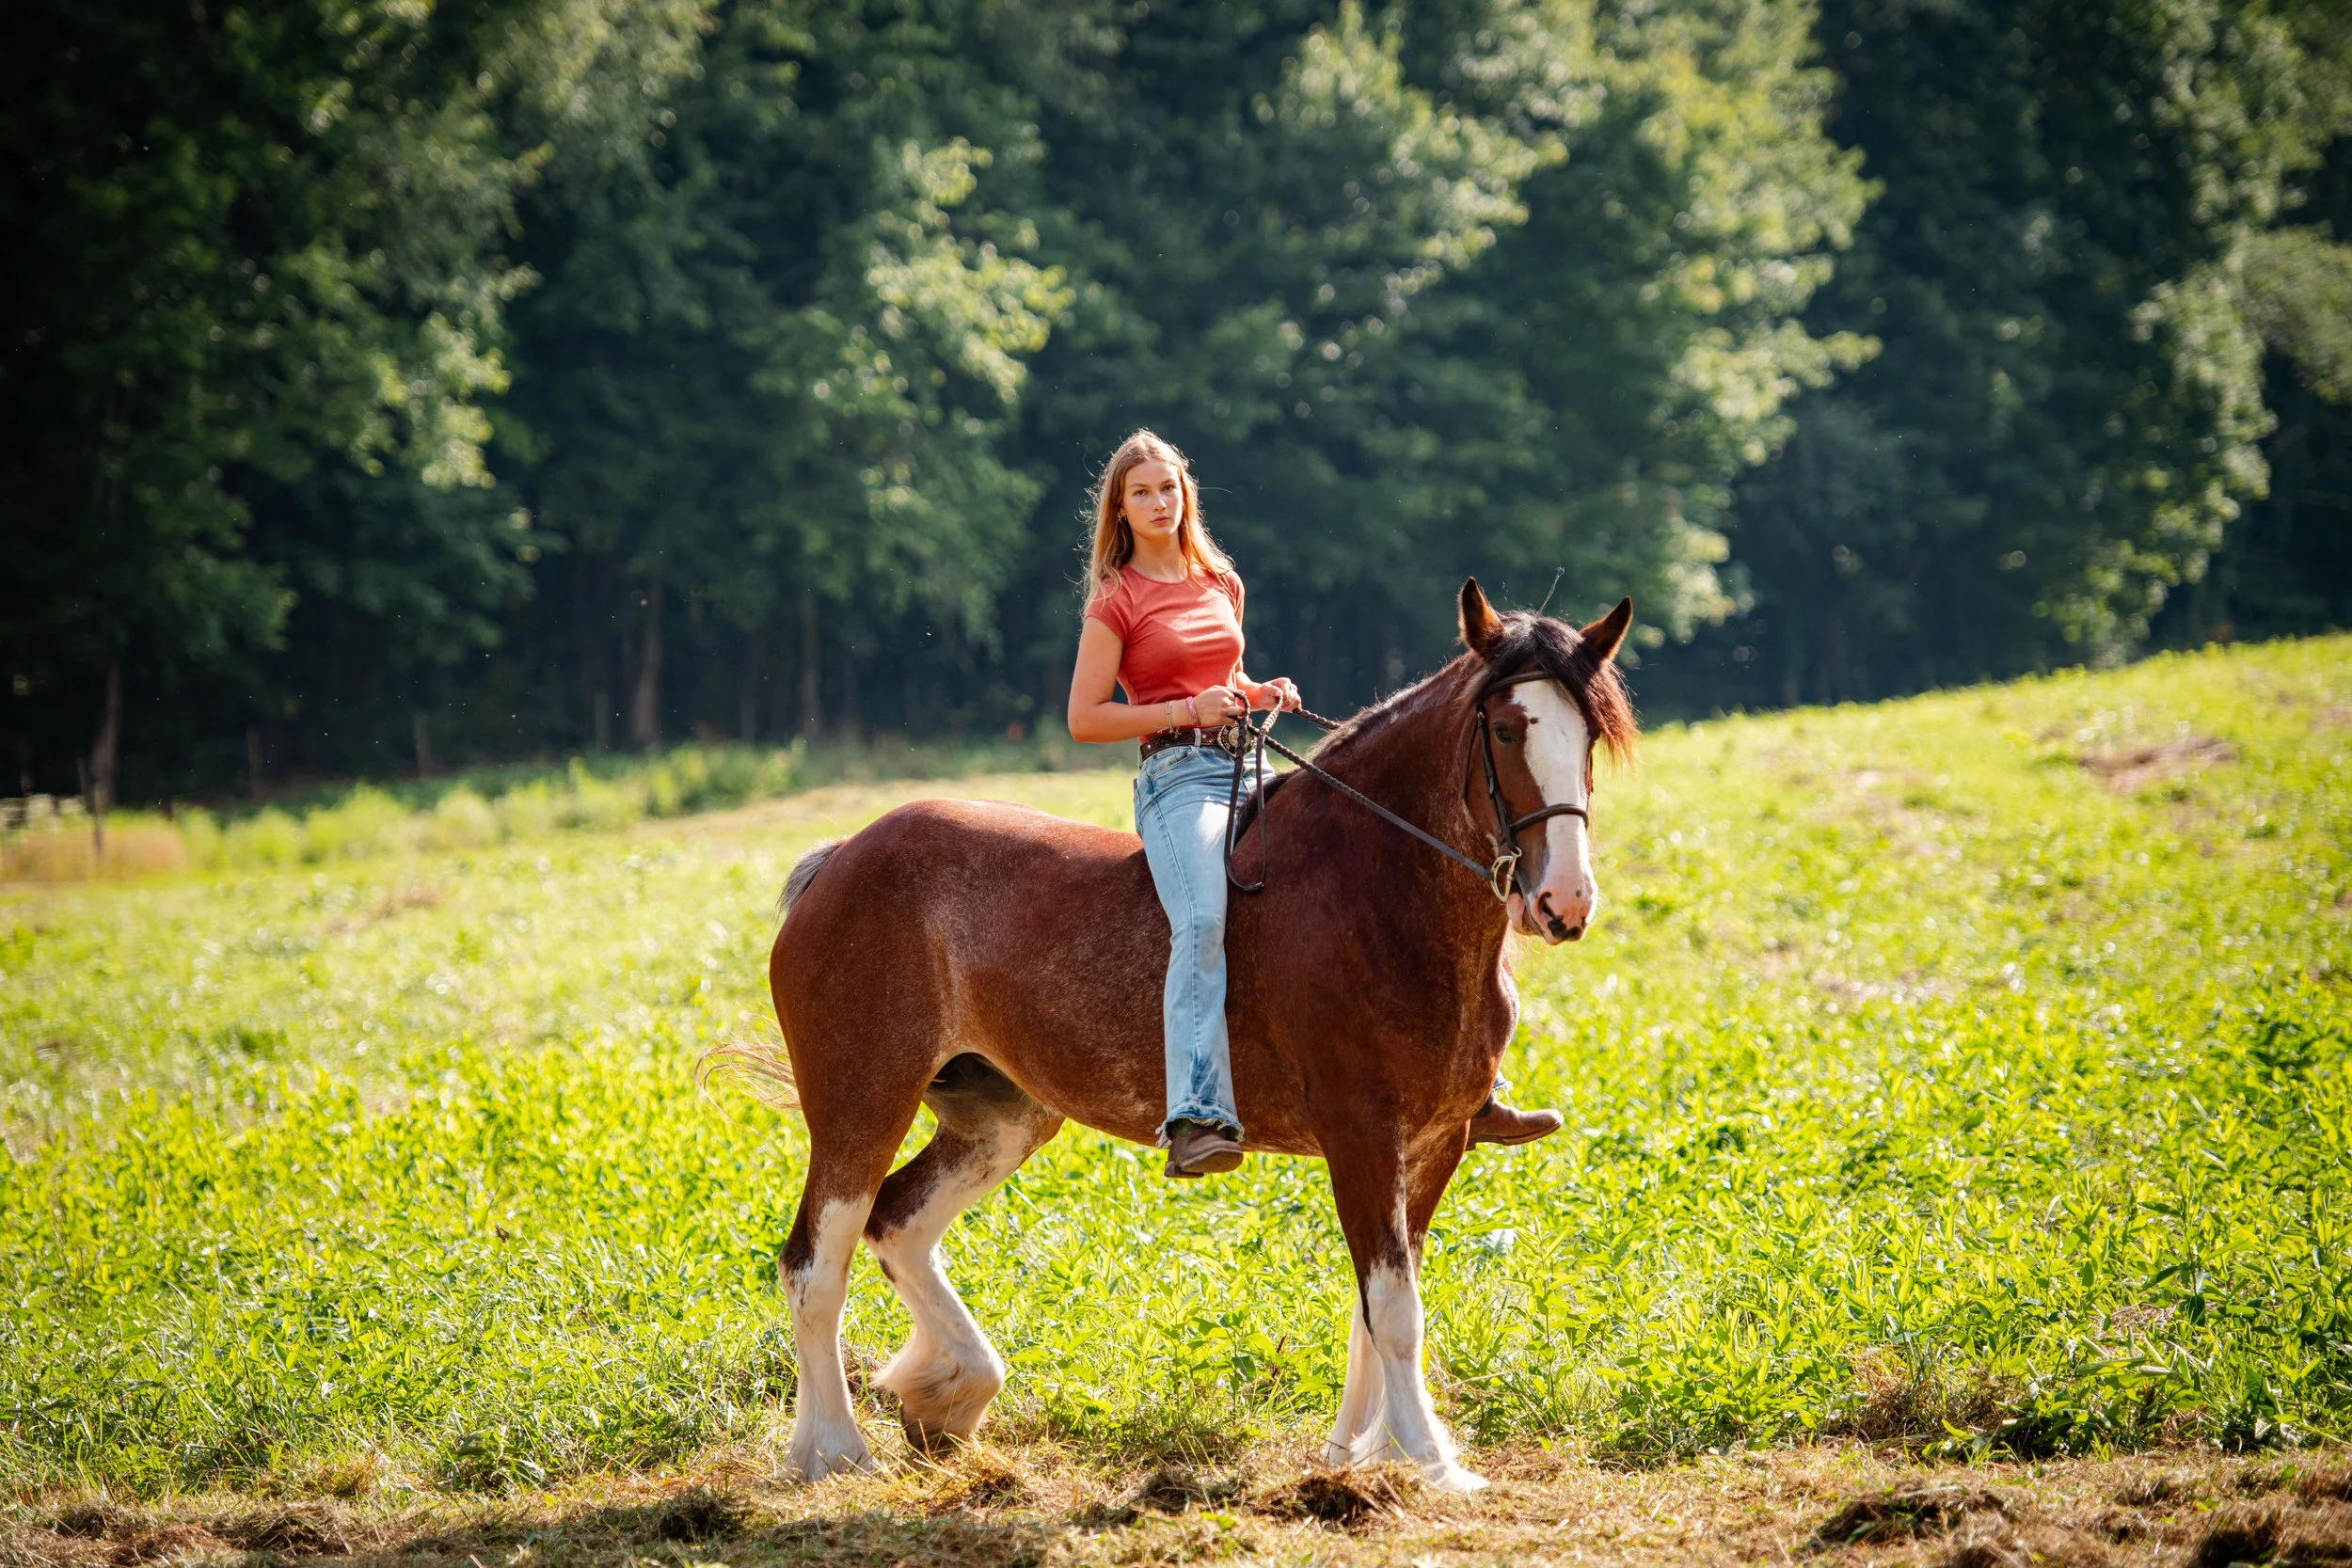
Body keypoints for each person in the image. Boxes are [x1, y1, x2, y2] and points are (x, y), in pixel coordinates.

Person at [1065, 429, 1564, 1178]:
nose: (1159, 503)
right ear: (1121, 508)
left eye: (1168, 488)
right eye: (1142, 493)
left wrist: (1257, 692)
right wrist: (1184, 711)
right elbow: (1085, 718)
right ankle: (1197, 1112)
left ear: (1185, 492)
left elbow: (1226, 675)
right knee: (1201, 920)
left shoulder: (1219, 581)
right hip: (1178, 782)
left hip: (1251, 763)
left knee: (1383, 872)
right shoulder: (1117, 600)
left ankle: (1475, 1084)